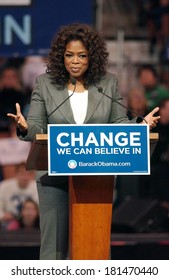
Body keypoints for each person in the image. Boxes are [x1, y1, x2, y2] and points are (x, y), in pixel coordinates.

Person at [7, 23, 160, 260]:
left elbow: (117, 124)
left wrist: (139, 127)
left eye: (81, 55)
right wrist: (25, 126)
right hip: (53, 174)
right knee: (54, 250)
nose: (74, 61)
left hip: (96, 176)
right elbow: (37, 126)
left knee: (94, 245)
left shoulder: (107, 83)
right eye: (69, 55)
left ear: (92, 57)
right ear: (61, 56)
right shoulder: (45, 84)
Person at [0, 162, 38, 230]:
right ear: (16, 174)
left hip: (32, 223)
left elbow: (40, 209)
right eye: (22, 174)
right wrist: (2, 216)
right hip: (9, 222)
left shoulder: (37, 187)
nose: (25, 177)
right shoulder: (4, 186)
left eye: (28, 174)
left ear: (32, 175)